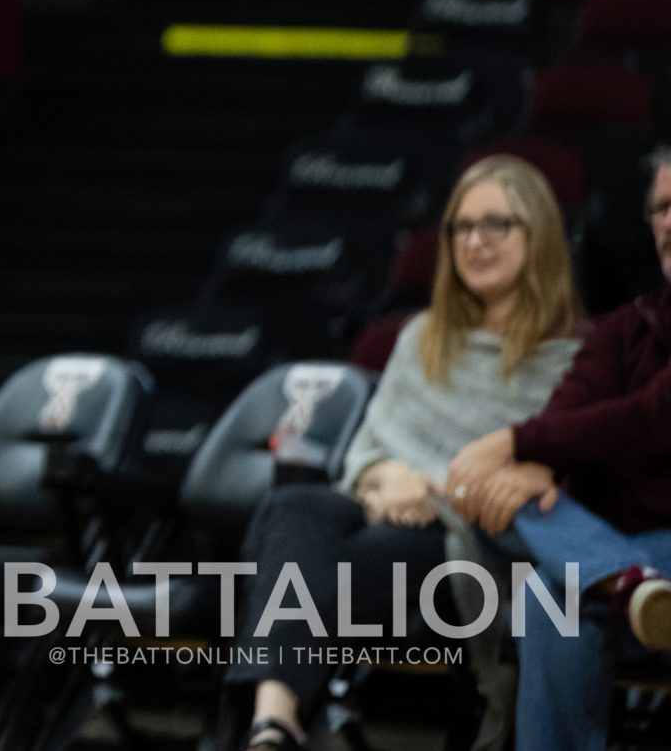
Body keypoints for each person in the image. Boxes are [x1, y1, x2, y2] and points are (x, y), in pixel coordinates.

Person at [223, 156, 583, 751]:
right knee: (296, 507)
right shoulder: (422, 337)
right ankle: (274, 723)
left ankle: (262, 724)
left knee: (296, 570)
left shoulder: (572, 360)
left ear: (538, 235)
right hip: (384, 513)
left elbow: (535, 486)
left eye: (497, 225)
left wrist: (431, 489)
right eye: (461, 227)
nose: (475, 241)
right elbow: (366, 449)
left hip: (476, 552)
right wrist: (386, 473)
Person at [444, 149, 671, 751]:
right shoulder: (626, 328)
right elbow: (566, 415)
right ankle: (621, 579)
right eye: (663, 208)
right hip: (637, 560)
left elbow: (651, 417)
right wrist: (533, 464)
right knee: (541, 579)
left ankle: (611, 575)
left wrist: (518, 444)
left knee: (547, 577)